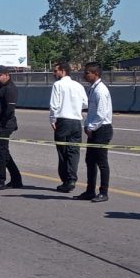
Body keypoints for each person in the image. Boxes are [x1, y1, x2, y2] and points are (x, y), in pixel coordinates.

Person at [74, 62, 113, 203]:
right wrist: (87, 125)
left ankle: (104, 192)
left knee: (102, 162)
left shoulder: (100, 90)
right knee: (90, 161)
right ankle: (90, 190)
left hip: (101, 129)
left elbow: (101, 114)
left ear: (95, 74)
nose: (85, 75)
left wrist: (91, 127)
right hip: (94, 128)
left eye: (87, 73)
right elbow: (91, 111)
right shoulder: (92, 89)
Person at [49, 62, 88, 193]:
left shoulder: (58, 85)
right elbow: (85, 103)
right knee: (74, 151)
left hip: (63, 121)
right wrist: (76, 109)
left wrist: (52, 119)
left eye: (55, 71)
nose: (54, 74)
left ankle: (66, 180)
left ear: (63, 71)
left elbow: (54, 104)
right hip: (76, 122)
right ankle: (72, 178)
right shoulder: (78, 85)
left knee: (63, 152)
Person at [0, 65, 23, 191]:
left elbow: (9, 109)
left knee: (0, 153)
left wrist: (0, 124)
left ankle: (0, 180)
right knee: (3, 153)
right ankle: (16, 179)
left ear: (6, 75)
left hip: (3, 126)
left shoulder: (10, 88)